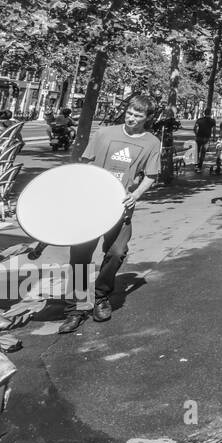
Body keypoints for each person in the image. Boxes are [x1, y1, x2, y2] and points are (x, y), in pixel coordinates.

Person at [59, 95, 162, 333]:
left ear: (147, 118)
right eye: (129, 112)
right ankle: (76, 308)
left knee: (116, 253)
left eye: (138, 115)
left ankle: (100, 296)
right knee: (80, 256)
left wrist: (135, 195)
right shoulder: (105, 133)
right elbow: (86, 163)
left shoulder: (151, 142)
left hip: (121, 208)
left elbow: (151, 176)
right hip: (91, 205)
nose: (131, 117)